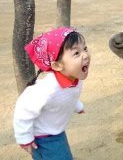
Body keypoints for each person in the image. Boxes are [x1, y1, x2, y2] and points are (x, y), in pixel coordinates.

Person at [13, 27, 91, 160]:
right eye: (76, 53)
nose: (85, 55)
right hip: (44, 137)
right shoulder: (47, 89)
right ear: (57, 66)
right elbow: (23, 108)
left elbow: (69, 95)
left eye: (85, 49)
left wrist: (77, 106)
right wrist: (24, 138)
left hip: (56, 132)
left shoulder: (75, 79)